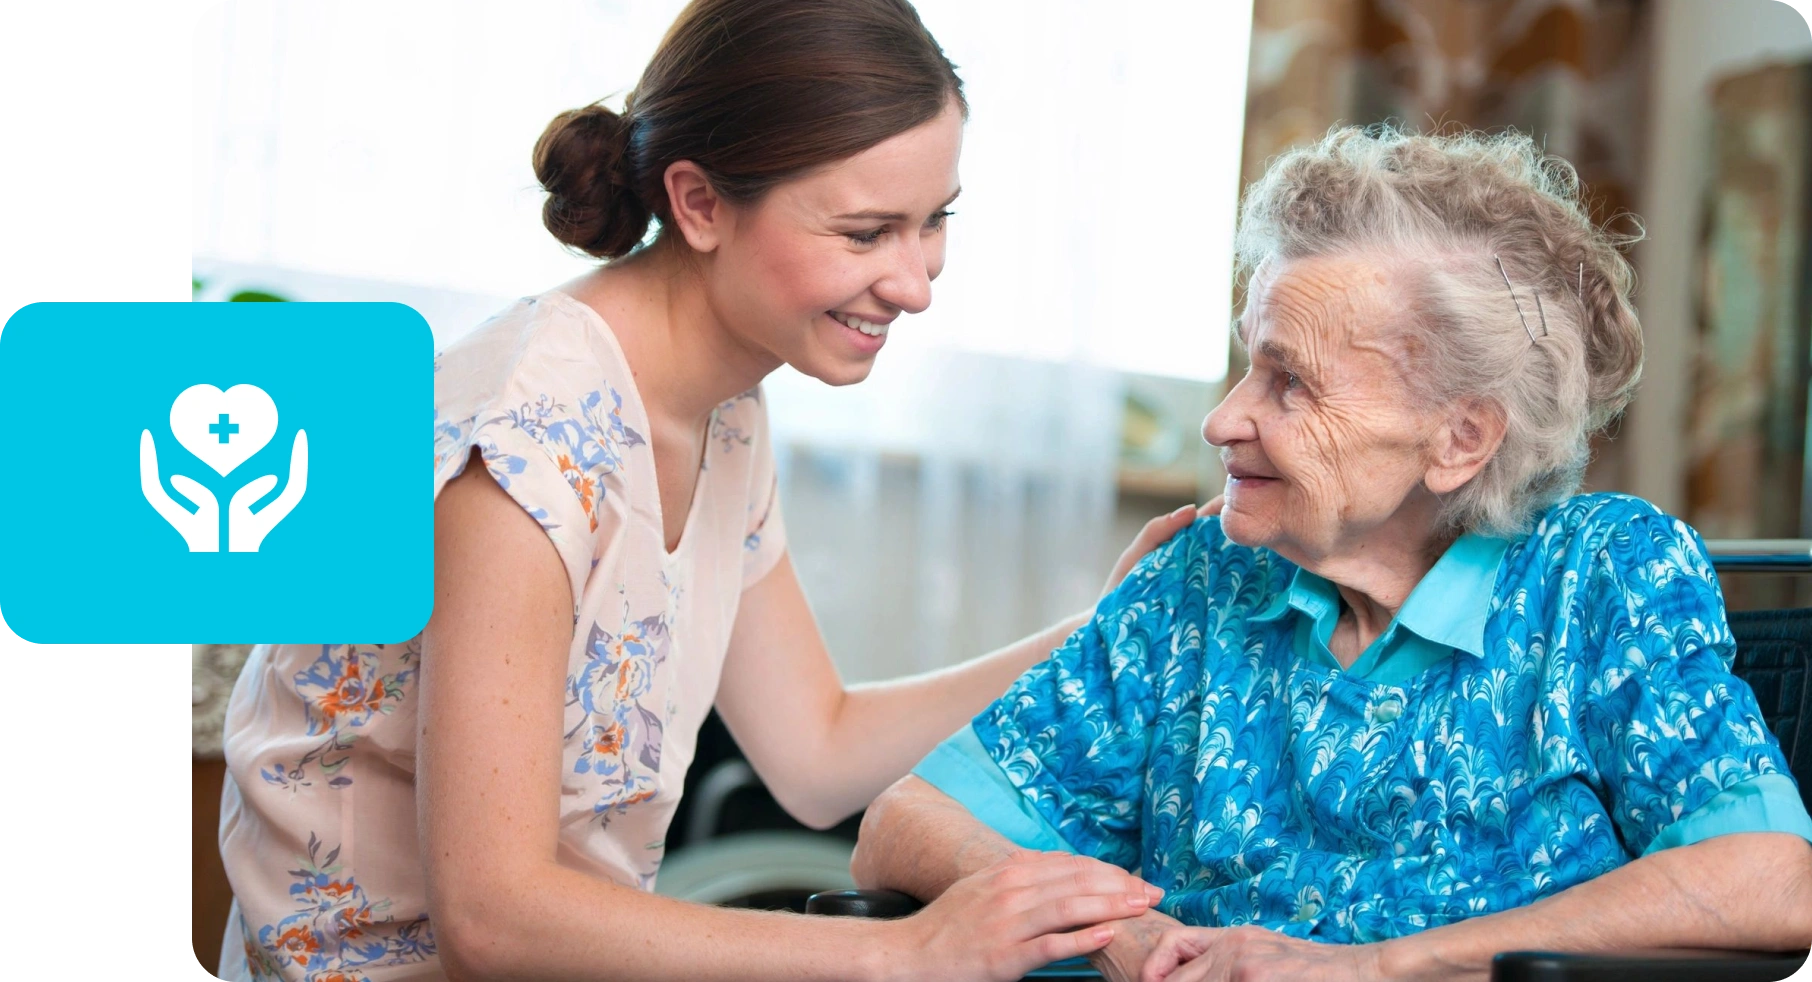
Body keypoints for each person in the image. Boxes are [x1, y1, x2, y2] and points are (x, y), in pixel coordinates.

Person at [214, 2, 1212, 980]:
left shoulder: (723, 407)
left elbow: (816, 751)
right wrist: (901, 951)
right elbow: (493, 919)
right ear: (697, 204)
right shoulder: (522, 448)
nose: (916, 282)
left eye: (933, 221)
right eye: (866, 233)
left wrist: (1106, 627)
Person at [851, 124, 1812, 982]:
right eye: (1247, 362)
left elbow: (1771, 879)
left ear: (1459, 441)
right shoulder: (1201, 580)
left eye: (1291, 383)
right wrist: (1117, 937)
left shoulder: (1603, 578)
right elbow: (903, 825)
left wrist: (1379, 968)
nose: (1225, 420)